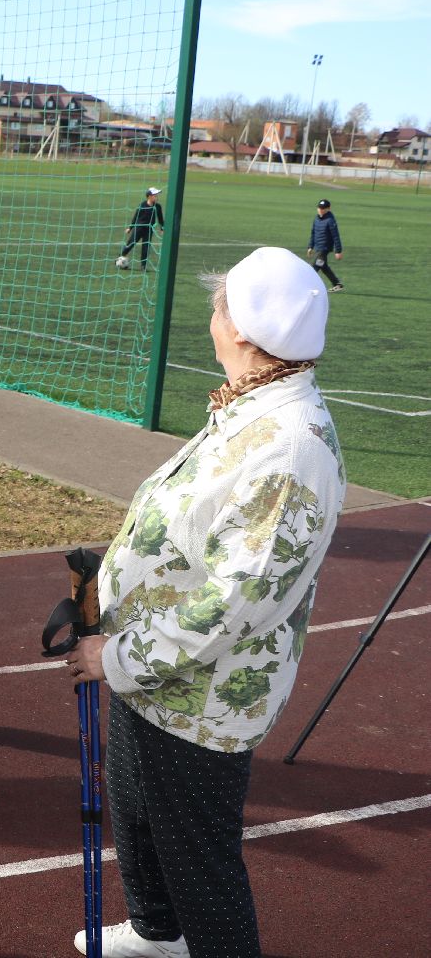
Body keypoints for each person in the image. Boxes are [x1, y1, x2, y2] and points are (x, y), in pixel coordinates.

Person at [64, 246, 346, 958]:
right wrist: (111, 581)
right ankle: (159, 933)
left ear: (245, 332)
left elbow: (235, 602)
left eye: (220, 307)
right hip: (152, 679)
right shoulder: (251, 405)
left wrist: (117, 655)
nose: (210, 317)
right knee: (135, 812)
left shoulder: (288, 446)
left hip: (198, 697)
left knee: (201, 865)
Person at [118, 187, 165, 270]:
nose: (157, 197)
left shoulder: (158, 207)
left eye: (157, 195)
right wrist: (130, 228)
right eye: (155, 195)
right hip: (139, 228)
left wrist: (162, 228)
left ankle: (143, 266)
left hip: (149, 230)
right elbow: (136, 216)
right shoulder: (142, 205)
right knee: (131, 243)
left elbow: (160, 218)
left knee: (146, 247)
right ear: (149, 196)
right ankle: (121, 256)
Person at [307, 197, 343, 291]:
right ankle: (337, 284)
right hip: (318, 248)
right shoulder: (316, 219)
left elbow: (336, 236)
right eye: (319, 208)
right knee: (324, 266)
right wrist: (310, 246)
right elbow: (313, 233)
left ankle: (307, 286)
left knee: (315, 267)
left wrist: (338, 251)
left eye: (323, 208)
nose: (321, 210)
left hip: (324, 249)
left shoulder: (330, 220)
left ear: (328, 209)